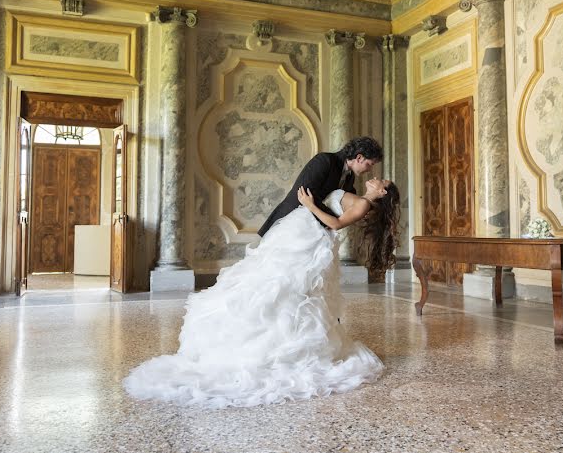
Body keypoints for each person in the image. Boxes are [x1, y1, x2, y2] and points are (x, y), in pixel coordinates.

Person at [122, 171, 402, 409]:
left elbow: (336, 223)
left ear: (382, 192)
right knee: (273, 283)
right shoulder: (352, 187)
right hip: (303, 234)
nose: (377, 177)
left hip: (315, 236)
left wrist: (309, 204)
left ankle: (287, 348)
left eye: (382, 181)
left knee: (289, 290)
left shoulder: (364, 204)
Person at [257, 136, 383, 237]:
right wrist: (333, 220)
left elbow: (350, 202)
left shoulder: (349, 177)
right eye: (369, 164)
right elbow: (306, 193)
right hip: (290, 222)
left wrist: (366, 211)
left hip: (314, 229)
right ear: (359, 157)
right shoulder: (325, 160)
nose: (369, 170)